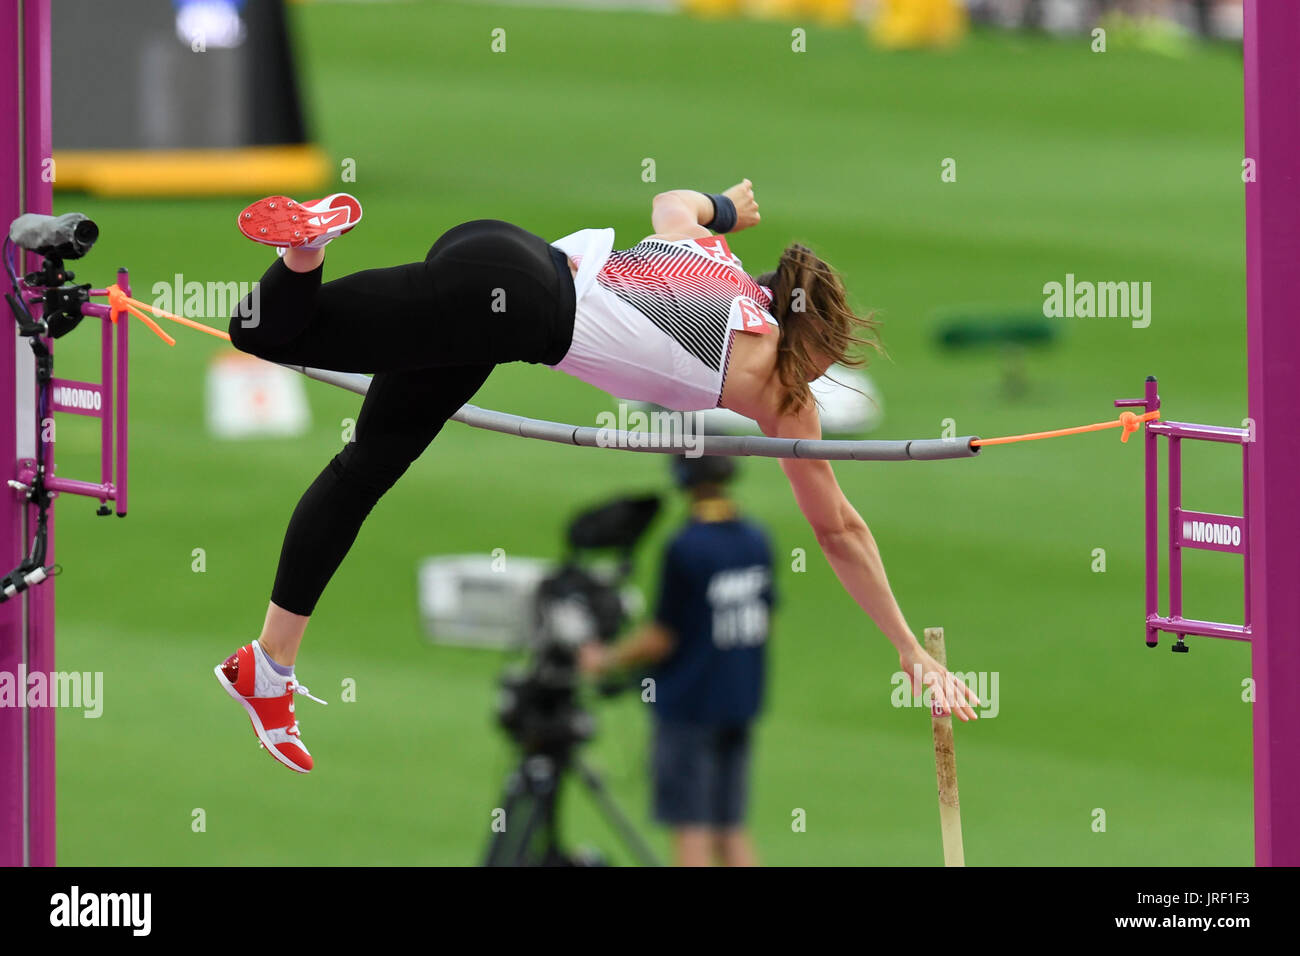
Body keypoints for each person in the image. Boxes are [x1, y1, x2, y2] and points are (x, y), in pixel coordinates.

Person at [215, 181, 979, 774]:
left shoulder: (706, 255)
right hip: (515, 306)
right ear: (801, 332)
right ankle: (307, 250)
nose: (820, 373)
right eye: (825, 353)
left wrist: (724, 206)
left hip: (503, 267)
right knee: (259, 331)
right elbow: (838, 529)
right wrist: (908, 651)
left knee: (365, 469)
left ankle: (268, 667)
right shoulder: (781, 385)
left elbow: (672, 201)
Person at [580, 454, 772, 866]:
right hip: (739, 702)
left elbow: (660, 638)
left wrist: (605, 659)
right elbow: (763, 618)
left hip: (689, 707)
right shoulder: (756, 540)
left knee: (691, 827)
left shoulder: (686, 546)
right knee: (730, 826)